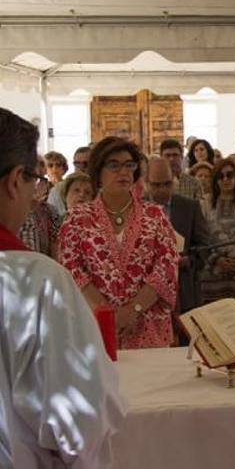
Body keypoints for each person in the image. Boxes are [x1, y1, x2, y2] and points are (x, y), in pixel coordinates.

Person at [0, 108, 125, 468]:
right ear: (13, 181)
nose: (34, 194)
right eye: (34, 180)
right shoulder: (38, 282)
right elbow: (81, 419)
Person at [58, 136, 179, 349]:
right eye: (114, 165)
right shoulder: (77, 218)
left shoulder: (154, 215)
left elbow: (166, 267)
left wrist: (134, 309)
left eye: (129, 165)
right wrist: (109, 313)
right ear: (98, 173)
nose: (123, 172)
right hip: (94, 323)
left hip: (147, 323)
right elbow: (72, 268)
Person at [144, 157, 211, 320]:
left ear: (174, 179)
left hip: (185, 290)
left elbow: (205, 247)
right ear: (146, 182)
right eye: (156, 185)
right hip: (147, 293)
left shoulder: (190, 207)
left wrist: (189, 260)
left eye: (167, 184)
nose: (162, 190)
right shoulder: (138, 209)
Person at [200, 159, 235, 302]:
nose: (225, 179)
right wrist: (216, 259)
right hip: (212, 271)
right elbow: (200, 236)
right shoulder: (204, 203)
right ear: (215, 180)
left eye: (230, 175)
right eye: (221, 176)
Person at [48, 145, 91, 216]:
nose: (80, 168)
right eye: (77, 164)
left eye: (85, 164)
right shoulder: (58, 189)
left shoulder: (98, 189)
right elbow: (50, 217)